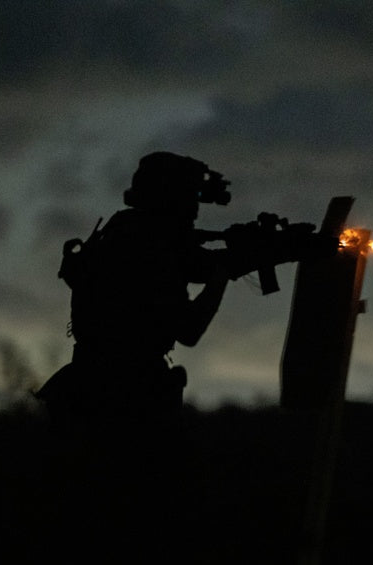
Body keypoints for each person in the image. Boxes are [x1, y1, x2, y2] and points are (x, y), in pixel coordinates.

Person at [36, 151, 236, 438]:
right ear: (171, 199)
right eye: (190, 198)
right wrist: (222, 275)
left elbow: (189, 266)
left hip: (89, 397)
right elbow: (189, 330)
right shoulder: (147, 249)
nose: (194, 210)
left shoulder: (123, 233)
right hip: (123, 406)